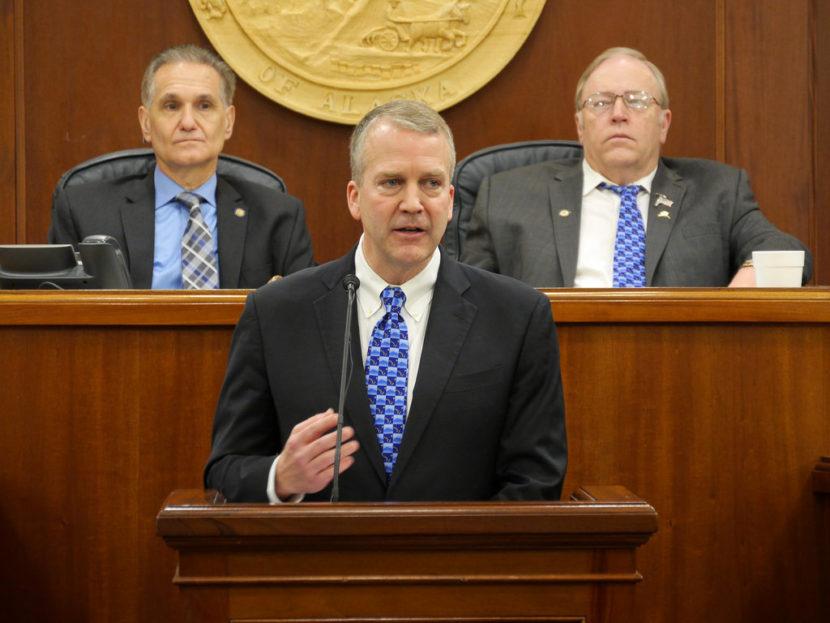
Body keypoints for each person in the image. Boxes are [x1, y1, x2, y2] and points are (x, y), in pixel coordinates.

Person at [204, 100, 567, 503]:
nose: (413, 203)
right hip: (320, 560)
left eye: (430, 184)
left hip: (460, 563)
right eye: (392, 182)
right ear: (355, 198)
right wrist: (280, 478)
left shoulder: (517, 317)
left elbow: (535, 483)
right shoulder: (276, 313)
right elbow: (225, 469)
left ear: (449, 201)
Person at [461, 47, 813, 287]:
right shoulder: (506, 195)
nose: (618, 114)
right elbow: (466, 300)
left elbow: (789, 253)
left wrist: (753, 276)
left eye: (637, 101)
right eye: (600, 103)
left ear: (664, 123)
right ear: (580, 126)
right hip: (549, 376)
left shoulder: (719, 190)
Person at [48, 44, 314, 289]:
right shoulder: (84, 211)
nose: (188, 122)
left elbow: (304, 316)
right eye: (171, 106)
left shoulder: (279, 217)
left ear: (229, 122)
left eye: (204, 106)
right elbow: (56, 315)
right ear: (146, 123)